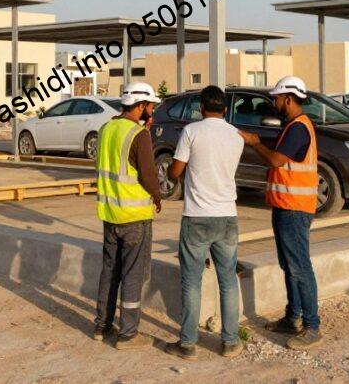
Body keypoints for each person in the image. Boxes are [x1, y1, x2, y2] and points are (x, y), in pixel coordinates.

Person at [237, 76, 322, 350]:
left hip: (294, 209)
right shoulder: (294, 126)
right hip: (286, 206)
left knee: (299, 268)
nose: (274, 102)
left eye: (276, 98)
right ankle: (292, 317)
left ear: (288, 98)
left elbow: (275, 160)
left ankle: (312, 325)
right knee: (289, 266)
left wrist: (254, 142)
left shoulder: (298, 128)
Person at [163, 85, 244, 360]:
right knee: (228, 281)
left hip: (196, 216)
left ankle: (187, 344)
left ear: (201, 107)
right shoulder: (236, 136)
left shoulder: (191, 132)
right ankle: (230, 341)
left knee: (191, 282)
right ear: (224, 108)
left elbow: (175, 172)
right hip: (227, 216)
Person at [92, 81, 163, 349]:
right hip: (134, 216)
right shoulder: (139, 135)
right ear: (141, 106)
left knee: (110, 270)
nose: (153, 109)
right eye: (151, 105)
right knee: (133, 274)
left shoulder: (106, 127)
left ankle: (102, 325)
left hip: (110, 214)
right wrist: (157, 195)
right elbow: (147, 174)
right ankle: (128, 334)